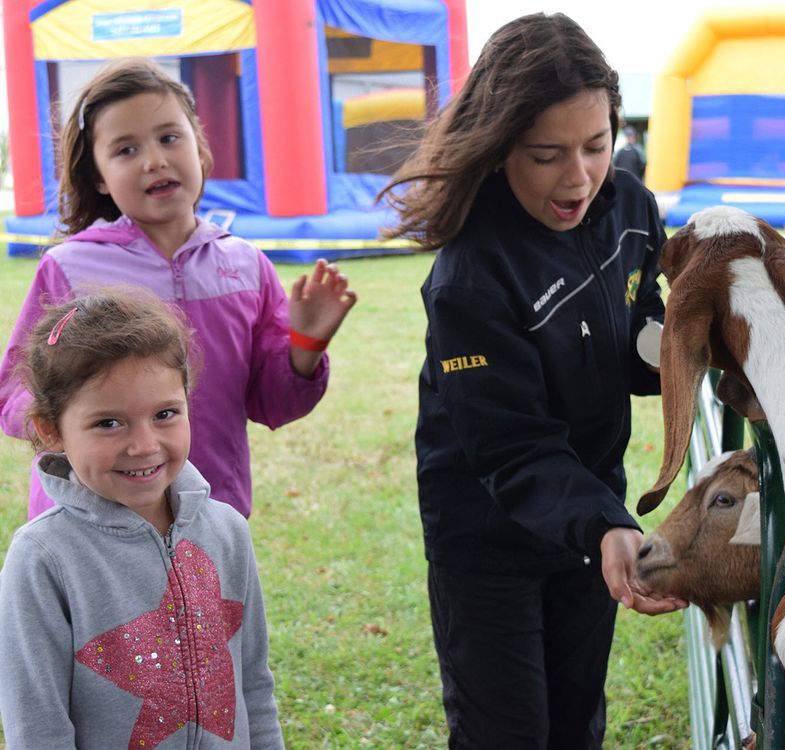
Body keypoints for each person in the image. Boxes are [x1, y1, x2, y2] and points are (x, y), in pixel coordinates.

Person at [379, 13, 687, 749]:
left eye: (597, 145)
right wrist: (606, 522)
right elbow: (510, 447)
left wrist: (684, 352)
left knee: (577, 725)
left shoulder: (633, 210)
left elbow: (638, 332)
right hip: (487, 537)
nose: (578, 176)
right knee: (506, 734)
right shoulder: (471, 274)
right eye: (547, 154)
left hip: (589, 517)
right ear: (498, 147)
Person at [0, 57, 356, 520]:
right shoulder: (69, 268)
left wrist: (306, 343)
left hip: (207, 513)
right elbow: (16, 393)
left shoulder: (246, 266)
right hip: (91, 519)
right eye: (125, 150)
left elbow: (272, 403)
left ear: (201, 149)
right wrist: (83, 426)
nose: (154, 160)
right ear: (98, 178)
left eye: (169, 137)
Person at [0, 291, 284, 748]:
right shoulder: (43, 559)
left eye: (165, 414)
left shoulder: (227, 530)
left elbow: (253, 683)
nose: (145, 445)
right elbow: (37, 726)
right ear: (51, 430)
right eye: (109, 423)